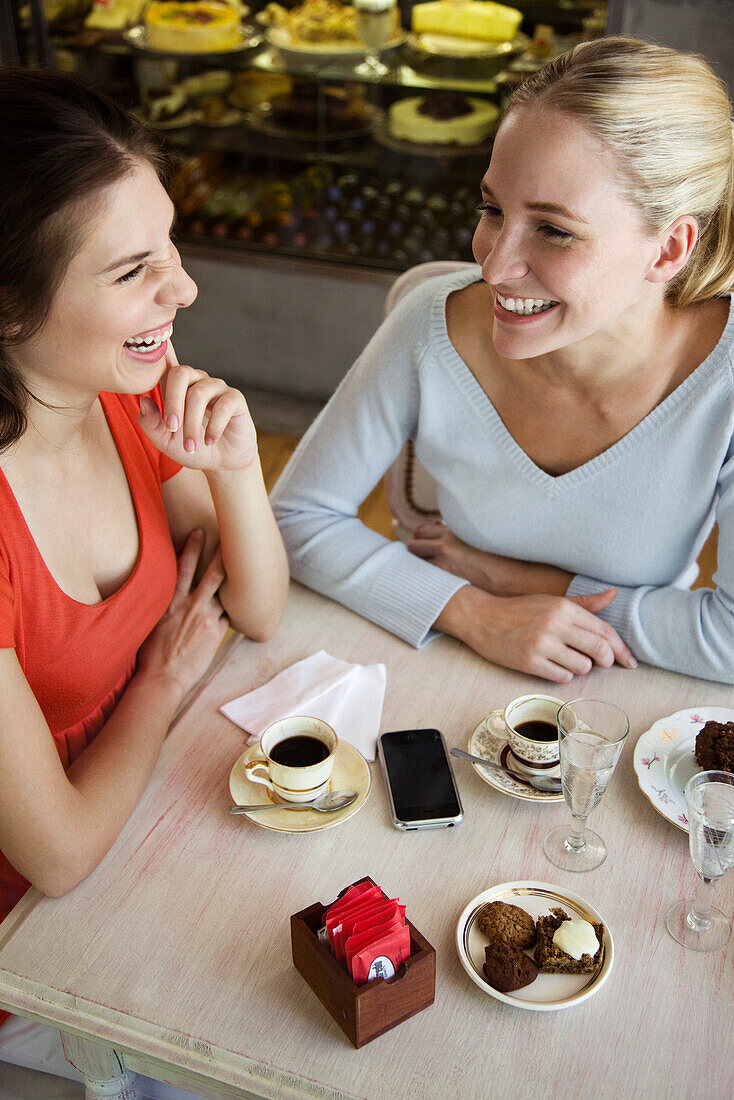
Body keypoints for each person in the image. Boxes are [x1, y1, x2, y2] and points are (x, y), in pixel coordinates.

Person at [272, 36, 734, 685]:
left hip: (628, 683)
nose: (492, 265)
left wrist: (514, 582)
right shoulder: (428, 326)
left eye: (554, 230)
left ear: (667, 251)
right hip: (446, 656)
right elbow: (295, 519)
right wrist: (473, 610)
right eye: (492, 209)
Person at [0, 68, 288, 1095]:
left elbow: (253, 608)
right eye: (133, 270)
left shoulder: (115, 393)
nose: (184, 288)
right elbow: (61, 853)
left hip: (144, 820)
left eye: (170, 244)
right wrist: (163, 684)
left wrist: (237, 462)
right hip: (32, 950)